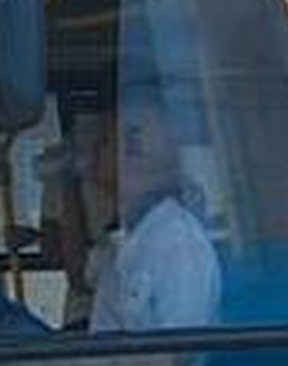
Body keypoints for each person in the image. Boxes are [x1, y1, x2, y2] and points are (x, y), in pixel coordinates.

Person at [91, 102, 223, 334]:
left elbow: (179, 353)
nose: (92, 152)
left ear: (134, 150)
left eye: (104, 141)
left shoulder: (178, 243)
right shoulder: (127, 236)